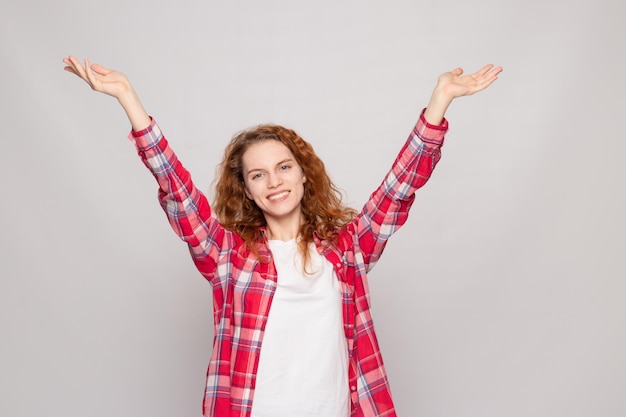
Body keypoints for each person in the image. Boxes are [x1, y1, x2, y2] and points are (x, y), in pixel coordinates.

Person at [62, 55, 502, 417]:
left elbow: (399, 188)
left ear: (303, 174)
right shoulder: (228, 258)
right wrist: (129, 100)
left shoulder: (346, 251)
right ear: (248, 190)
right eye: (258, 174)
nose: (273, 181)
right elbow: (177, 191)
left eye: (283, 167)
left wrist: (439, 102)